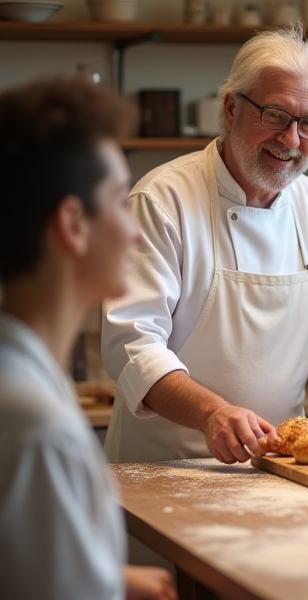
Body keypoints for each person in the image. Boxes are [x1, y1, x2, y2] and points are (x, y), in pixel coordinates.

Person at [102, 27, 308, 464]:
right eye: (276, 115)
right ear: (231, 109)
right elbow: (132, 346)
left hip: (279, 468)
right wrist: (212, 412)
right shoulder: (163, 200)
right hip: (164, 467)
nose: (291, 141)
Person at [0, 77, 176, 598]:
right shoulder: (35, 425)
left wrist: (109, 581)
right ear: (73, 224)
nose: (134, 231)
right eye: (119, 201)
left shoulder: (21, 382)